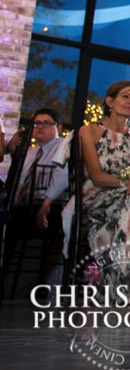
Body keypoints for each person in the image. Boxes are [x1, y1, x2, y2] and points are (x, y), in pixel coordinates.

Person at [79, 81, 130, 287]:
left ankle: (114, 280)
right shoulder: (89, 131)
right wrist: (123, 182)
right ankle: (128, 284)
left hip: (127, 198)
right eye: (125, 96)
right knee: (128, 207)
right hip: (96, 195)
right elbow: (96, 175)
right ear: (110, 100)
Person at [5, 108, 71, 284]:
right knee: (6, 221)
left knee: (9, 224)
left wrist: (46, 203)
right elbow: (17, 182)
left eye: (46, 123)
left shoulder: (62, 146)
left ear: (58, 127)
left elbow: (62, 176)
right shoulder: (30, 153)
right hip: (23, 207)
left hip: (51, 206)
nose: (40, 127)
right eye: (37, 123)